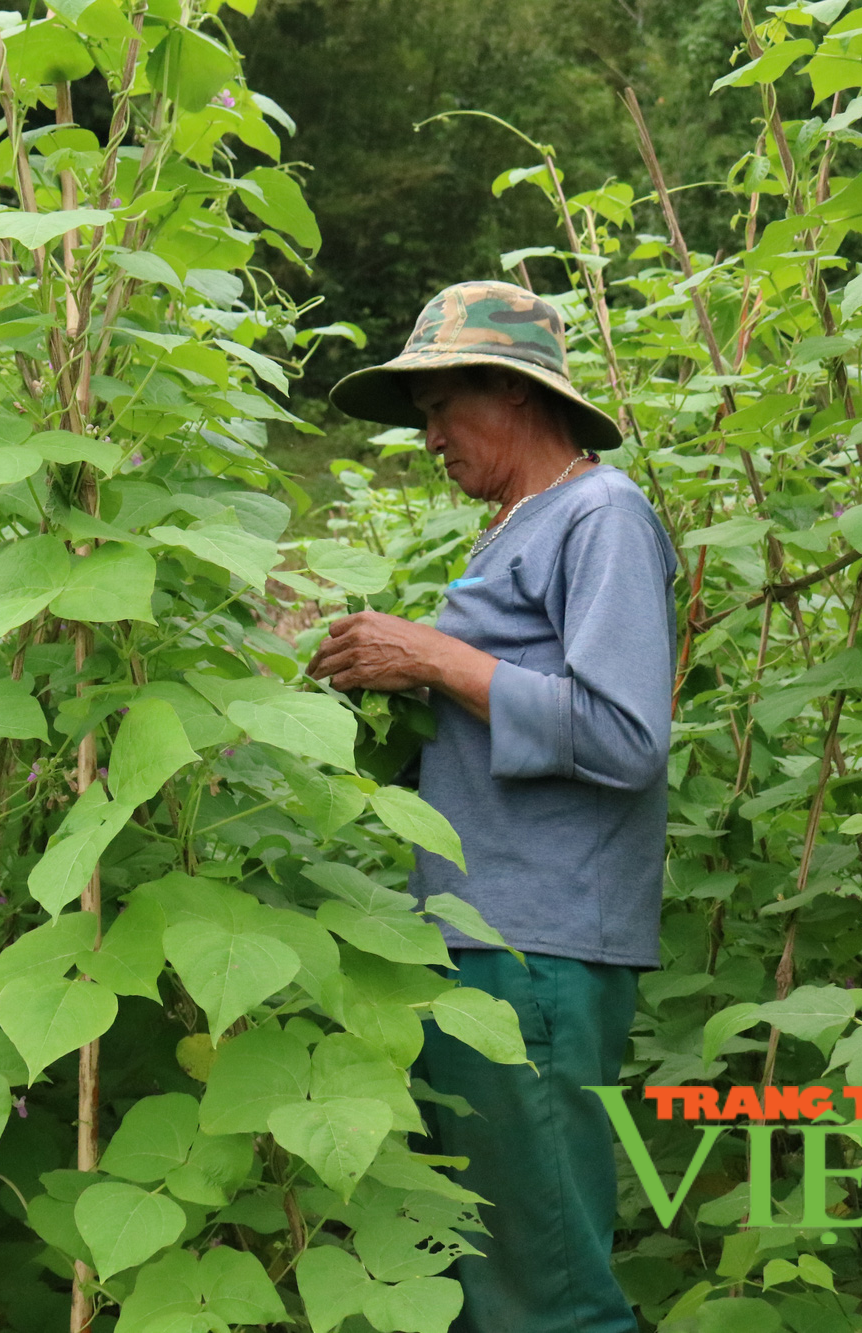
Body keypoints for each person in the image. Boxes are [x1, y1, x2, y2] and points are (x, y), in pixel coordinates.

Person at [309, 281, 676, 1333]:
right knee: (485, 1274)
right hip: (486, 942)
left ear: (510, 393)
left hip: (538, 952)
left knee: (546, 1289)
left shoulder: (599, 514)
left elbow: (623, 736)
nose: (425, 435)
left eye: (437, 406)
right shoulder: (521, 523)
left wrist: (431, 654)